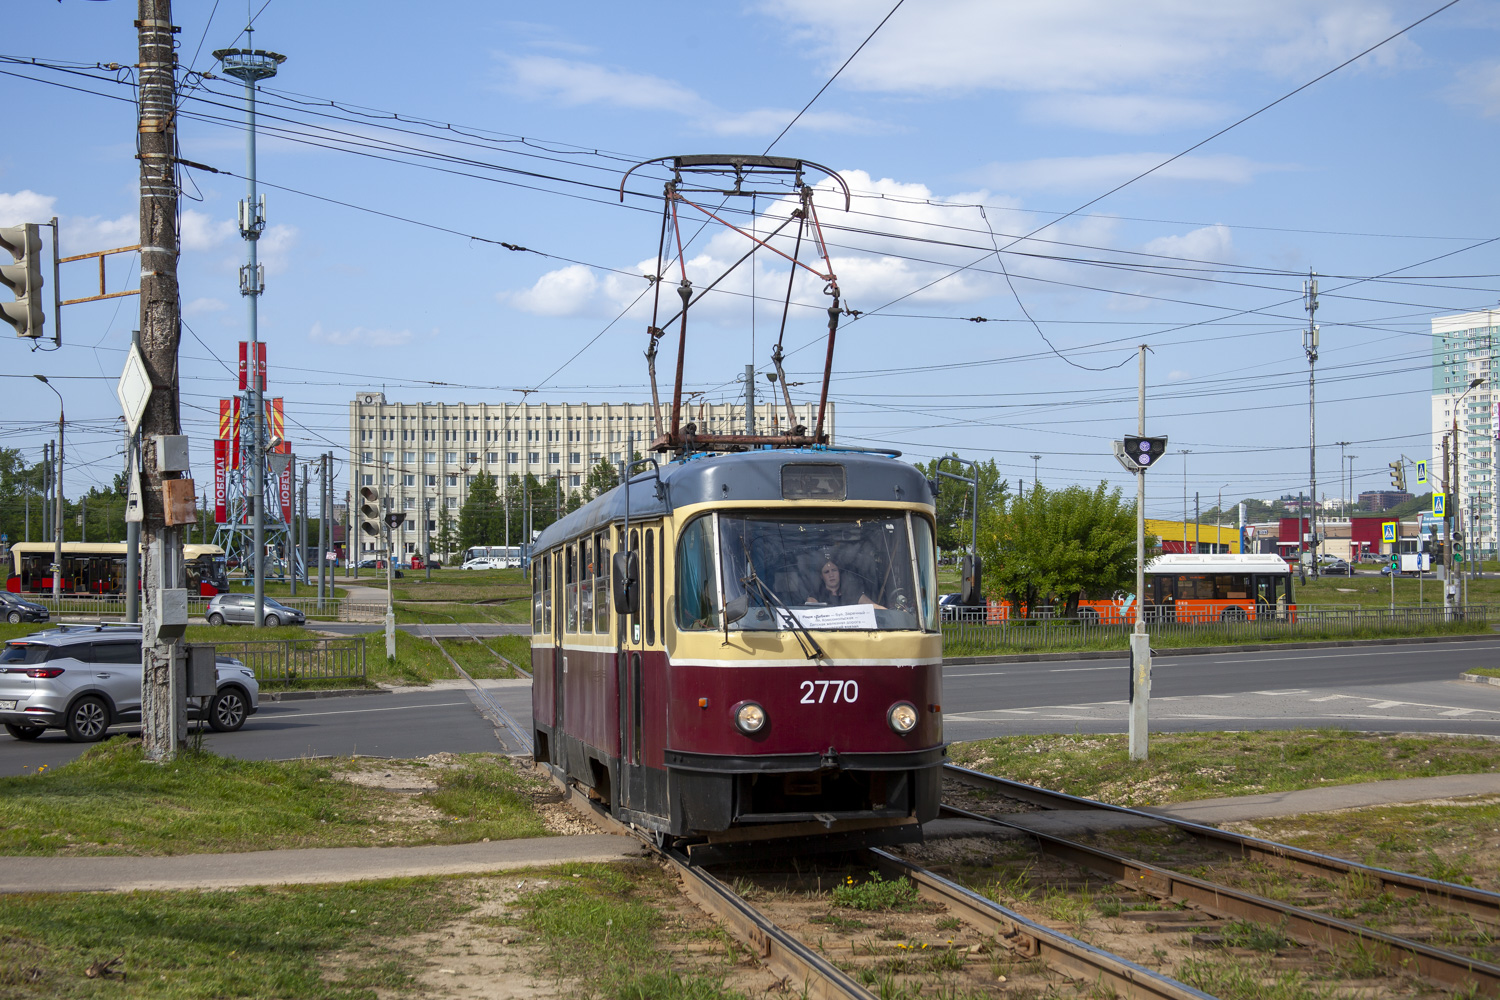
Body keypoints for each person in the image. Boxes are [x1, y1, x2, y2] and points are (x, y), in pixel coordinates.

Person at [805, 552, 882, 608]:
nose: (831, 575)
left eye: (834, 570)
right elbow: (810, 614)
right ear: (821, 576)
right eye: (826, 572)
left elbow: (875, 608)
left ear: (839, 572)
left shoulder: (851, 593)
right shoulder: (816, 596)